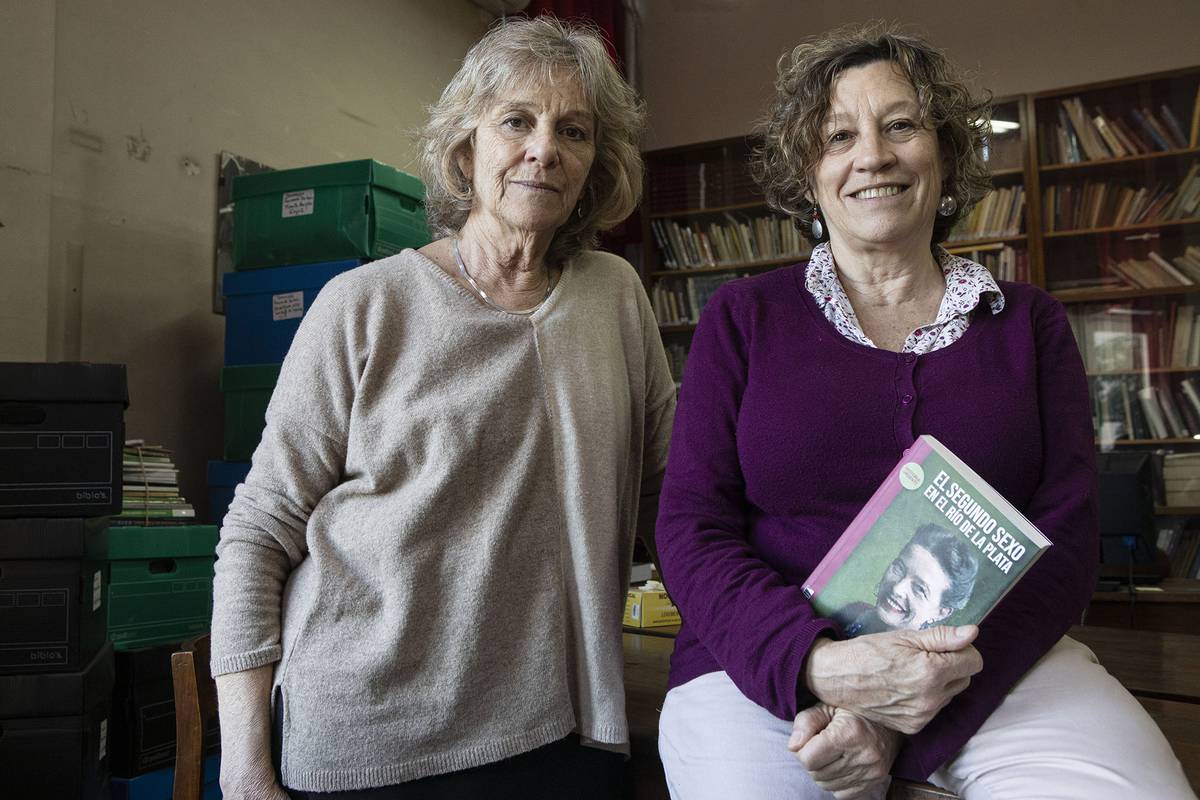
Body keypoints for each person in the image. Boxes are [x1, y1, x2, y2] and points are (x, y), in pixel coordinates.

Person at [654, 23, 1196, 800]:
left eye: (901, 125)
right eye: (838, 135)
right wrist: (820, 666)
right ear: (807, 177)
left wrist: (899, 714)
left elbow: (1067, 546)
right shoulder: (742, 318)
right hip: (764, 672)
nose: (872, 154)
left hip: (996, 669)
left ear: (943, 155)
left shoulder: (1029, 323)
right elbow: (690, 528)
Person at [210, 17, 675, 800]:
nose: (544, 149)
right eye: (516, 122)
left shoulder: (615, 299)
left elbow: (672, 500)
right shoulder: (364, 305)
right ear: (467, 150)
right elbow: (260, 528)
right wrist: (245, 765)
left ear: (596, 163)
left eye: (575, 130)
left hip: (563, 732)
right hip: (369, 735)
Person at [833, 523, 980, 637]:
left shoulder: (923, 666)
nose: (897, 588)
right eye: (899, 568)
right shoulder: (854, 612)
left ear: (941, 612)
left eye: (920, 589)